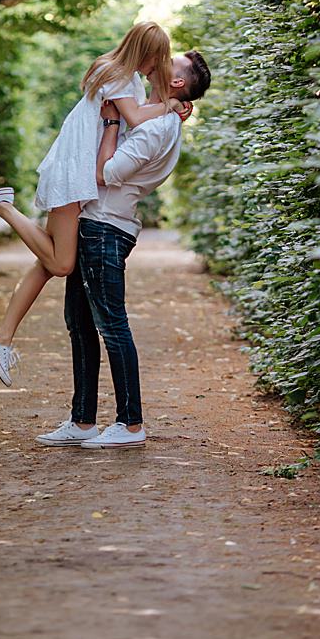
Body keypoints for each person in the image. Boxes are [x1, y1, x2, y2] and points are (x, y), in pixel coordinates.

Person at [0, 22, 186, 385]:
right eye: (158, 58)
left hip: (74, 166)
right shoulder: (120, 76)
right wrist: (173, 105)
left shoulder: (114, 70)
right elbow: (135, 118)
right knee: (62, 263)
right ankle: (3, 206)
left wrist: (167, 106)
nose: (159, 65)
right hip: (75, 170)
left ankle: (1, 338)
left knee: (49, 262)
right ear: (146, 53)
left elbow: (134, 119)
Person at [33, 48, 212, 449]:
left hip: (106, 229)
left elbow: (105, 172)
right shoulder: (153, 114)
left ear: (178, 82)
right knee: (79, 323)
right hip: (93, 223)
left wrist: (112, 121)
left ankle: (131, 423)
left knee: (112, 325)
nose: (160, 58)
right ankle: (82, 421)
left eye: (171, 60)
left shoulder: (156, 128)